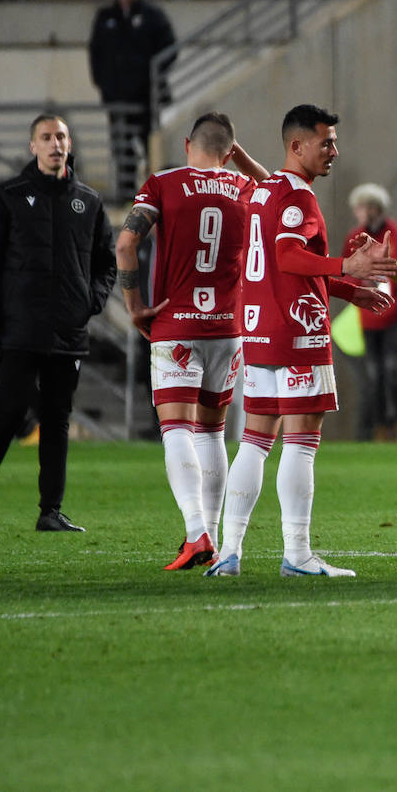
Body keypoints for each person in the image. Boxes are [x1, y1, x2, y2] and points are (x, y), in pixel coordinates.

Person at [207, 104, 397, 578]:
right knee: (301, 443)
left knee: (253, 441)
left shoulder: (266, 190)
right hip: (296, 331)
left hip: (258, 329)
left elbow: (286, 267)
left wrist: (350, 289)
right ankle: (297, 554)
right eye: (325, 142)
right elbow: (290, 257)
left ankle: (229, 551)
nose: (334, 151)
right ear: (298, 146)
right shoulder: (300, 200)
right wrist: (344, 267)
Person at [0, 114, 115, 531]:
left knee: (57, 420)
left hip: (68, 331)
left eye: (60, 136)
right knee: (7, 413)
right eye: (46, 137)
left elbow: (106, 266)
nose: (55, 144)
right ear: (32, 147)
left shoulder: (89, 202)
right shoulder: (7, 196)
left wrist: (89, 303)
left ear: (69, 143)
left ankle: (50, 511)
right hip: (17, 330)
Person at [113, 112, 255, 570]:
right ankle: (208, 537)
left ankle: (197, 531)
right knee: (213, 432)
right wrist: (241, 162)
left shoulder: (164, 183)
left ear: (189, 142)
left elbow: (126, 245)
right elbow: (278, 188)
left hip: (177, 325)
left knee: (177, 429)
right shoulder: (247, 188)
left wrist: (135, 305)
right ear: (230, 151)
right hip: (228, 329)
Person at [87, 0, 175, 194]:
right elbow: (96, 53)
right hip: (117, 97)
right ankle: (126, 193)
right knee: (122, 148)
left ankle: (153, 193)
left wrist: (151, 76)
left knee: (149, 146)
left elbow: (169, 49)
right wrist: (103, 82)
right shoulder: (105, 18)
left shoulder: (152, 16)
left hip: (146, 97)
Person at [343, 182, 397, 442]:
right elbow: (348, 272)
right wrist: (358, 291)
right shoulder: (354, 237)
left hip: (394, 316)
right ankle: (381, 427)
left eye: (362, 207)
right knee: (374, 373)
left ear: (374, 208)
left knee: (393, 369)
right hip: (368, 317)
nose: (358, 212)